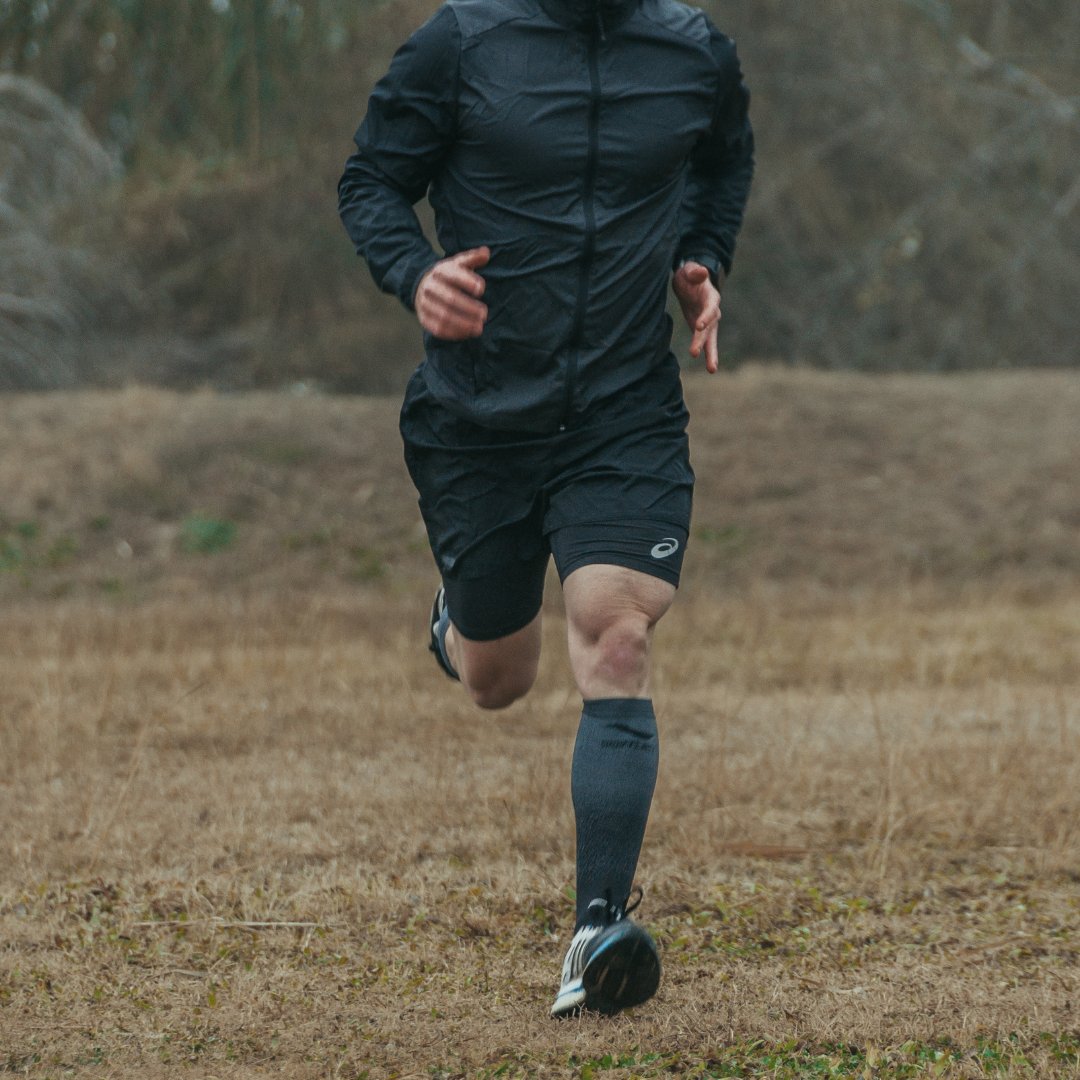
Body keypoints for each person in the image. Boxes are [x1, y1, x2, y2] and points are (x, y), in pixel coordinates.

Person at [338, 0, 753, 1017]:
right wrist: (414, 273)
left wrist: (702, 260)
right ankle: (460, 616)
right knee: (496, 678)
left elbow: (723, 163)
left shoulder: (695, 53)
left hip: (622, 410)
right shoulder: (462, 43)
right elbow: (372, 182)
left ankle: (594, 935)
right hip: (478, 416)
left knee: (617, 633)